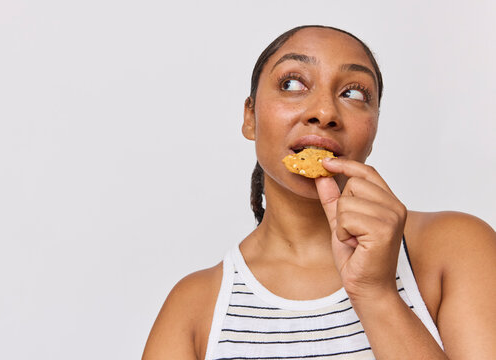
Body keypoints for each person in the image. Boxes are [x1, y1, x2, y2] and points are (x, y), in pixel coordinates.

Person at [142, 25, 496, 359]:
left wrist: (377, 294)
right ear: (250, 118)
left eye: (354, 93)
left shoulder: (456, 247)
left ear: (374, 126)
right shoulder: (194, 306)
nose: (325, 112)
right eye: (293, 84)